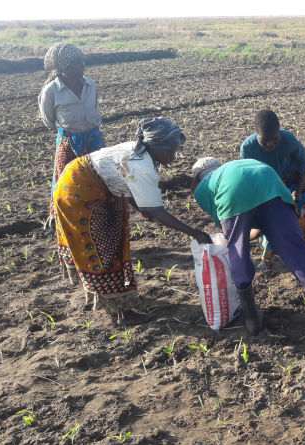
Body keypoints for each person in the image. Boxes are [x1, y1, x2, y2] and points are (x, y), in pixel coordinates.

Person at [53, 117, 211, 323]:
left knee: (116, 241)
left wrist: (142, 207)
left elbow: (131, 187)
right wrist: (195, 233)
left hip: (101, 188)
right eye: (172, 150)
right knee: (103, 251)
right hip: (79, 193)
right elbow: (155, 210)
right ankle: (118, 312)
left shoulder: (143, 154)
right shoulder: (141, 164)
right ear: (158, 146)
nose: (175, 155)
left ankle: (117, 302)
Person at [191, 157, 305, 347]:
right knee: (299, 254)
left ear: (198, 177)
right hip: (268, 181)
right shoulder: (237, 165)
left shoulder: (202, 189)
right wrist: (266, 228)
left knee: (238, 255)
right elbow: (260, 219)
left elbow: (231, 230)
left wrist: (240, 239)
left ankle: (252, 322)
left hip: (234, 194)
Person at [239, 110, 305, 278]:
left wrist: (297, 190)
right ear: (256, 134)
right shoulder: (248, 148)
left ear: (279, 132)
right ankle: (267, 262)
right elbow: (248, 176)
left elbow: (302, 163)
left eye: (274, 139)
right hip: (268, 190)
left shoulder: (288, 140)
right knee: (273, 223)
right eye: (265, 141)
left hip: (294, 182)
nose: (270, 145)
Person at [39, 43, 104, 220]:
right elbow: (48, 119)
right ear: (63, 70)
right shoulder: (51, 91)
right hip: (69, 139)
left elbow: (94, 107)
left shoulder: (90, 84)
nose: (81, 67)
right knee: (64, 179)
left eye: (81, 63)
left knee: (99, 176)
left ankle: (97, 212)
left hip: (93, 136)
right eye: (76, 65)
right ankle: (58, 216)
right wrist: (68, 132)